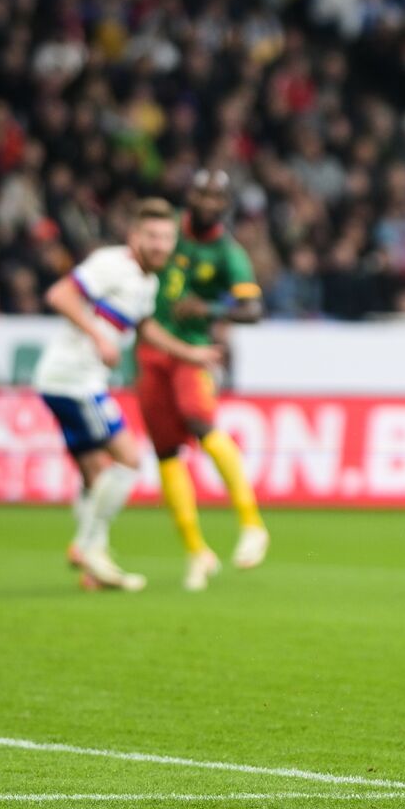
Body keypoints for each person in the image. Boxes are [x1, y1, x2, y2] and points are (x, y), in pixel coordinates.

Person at [33, 198, 222, 591]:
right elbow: (60, 296)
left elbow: (146, 329)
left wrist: (192, 354)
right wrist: (99, 337)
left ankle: (93, 570)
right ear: (134, 236)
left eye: (167, 238)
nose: (160, 245)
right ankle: (87, 547)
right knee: (129, 458)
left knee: (95, 473)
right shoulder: (111, 264)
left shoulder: (147, 282)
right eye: (151, 236)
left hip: (72, 381)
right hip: (73, 380)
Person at [136, 169, 267, 592]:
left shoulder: (229, 254)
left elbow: (252, 310)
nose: (208, 200)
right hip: (149, 348)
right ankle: (197, 552)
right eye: (201, 192)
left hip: (192, 351)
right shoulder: (166, 229)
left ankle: (252, 523)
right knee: (166, 451)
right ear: (189, 195)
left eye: (216, 195)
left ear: (226, 204)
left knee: (199, 420)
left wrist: (210, 310)